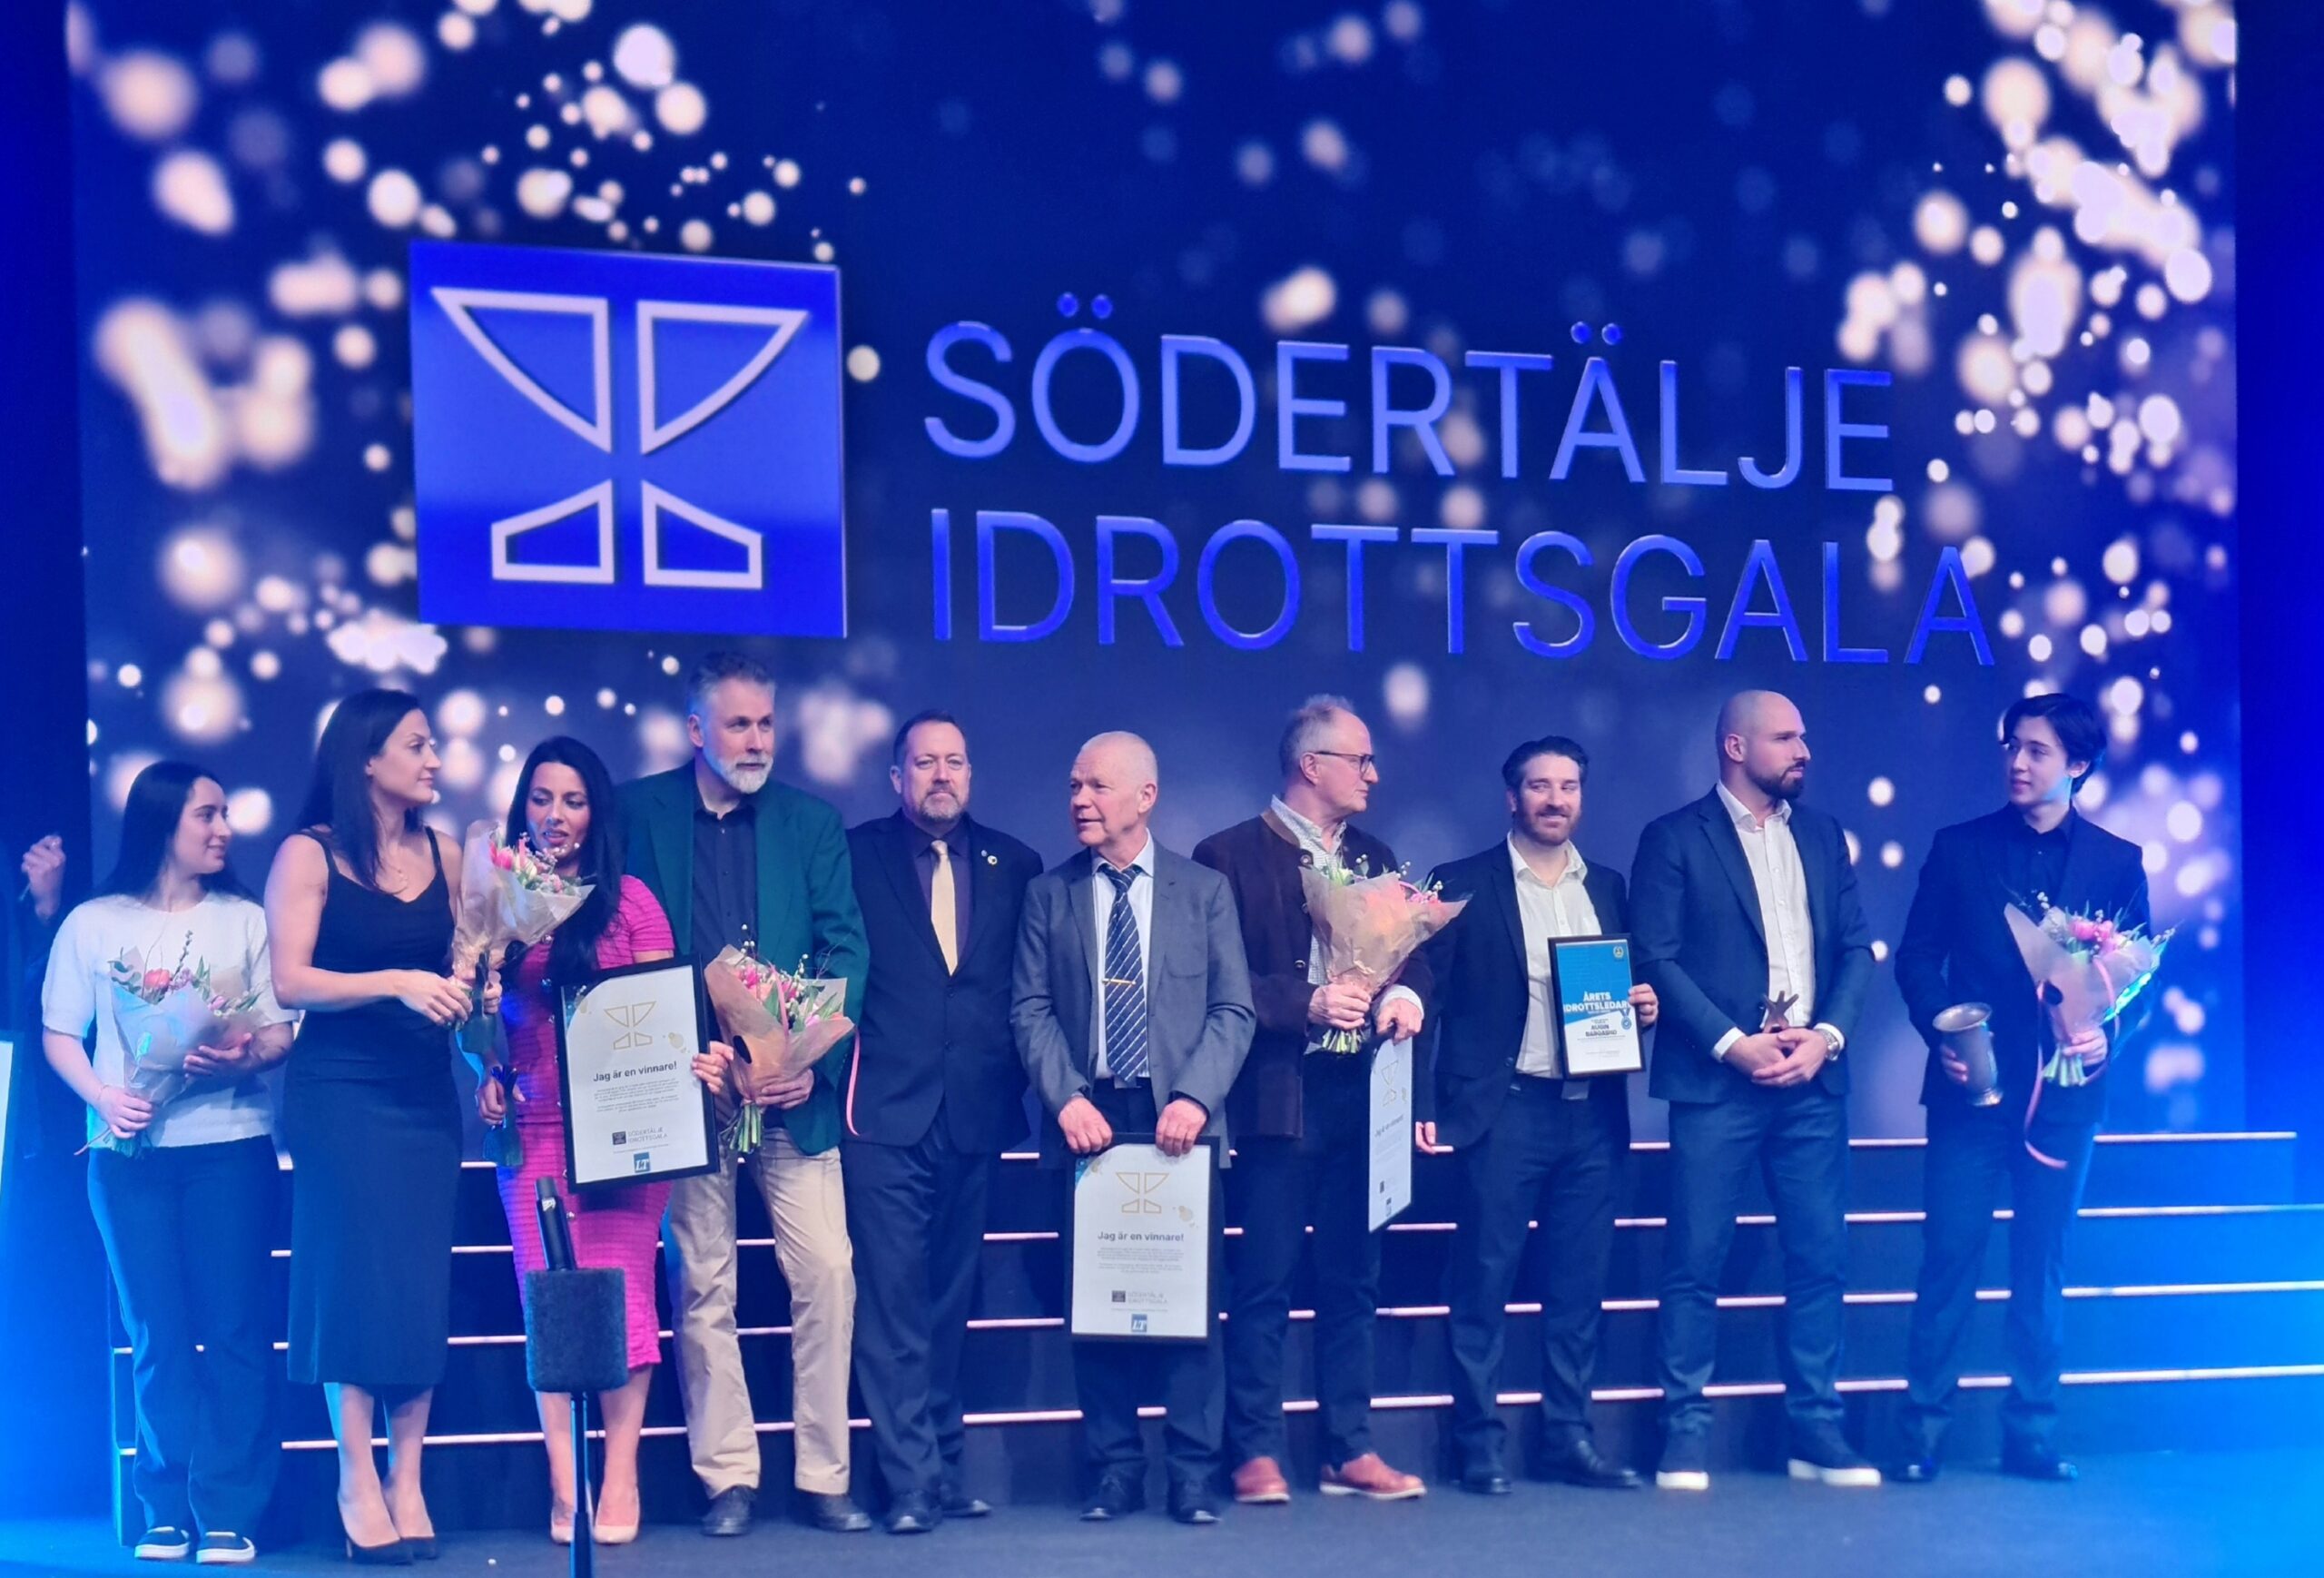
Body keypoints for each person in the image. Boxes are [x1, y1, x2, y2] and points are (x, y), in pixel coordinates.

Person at [619, 651, 872, 1537]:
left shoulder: (811, 821)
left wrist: (807, 1060)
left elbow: (846, 950)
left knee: (828, 1273)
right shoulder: (637, 812)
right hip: (690, 1091)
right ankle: (727, 1476)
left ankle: (825, 1475)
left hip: (794, 1094)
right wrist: (687, 1056)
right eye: (738, 724)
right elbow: (615, 946)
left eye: (766, 723)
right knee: (702, 1283)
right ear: (697, 729)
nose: (757, 739)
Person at [1891, 694, 2152, 1484]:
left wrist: (2106, 1033)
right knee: (1950, 1255)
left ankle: (2032, 1431)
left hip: (2064, 1097)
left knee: (2042, 1261)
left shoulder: (2117, 860)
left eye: (2037, 750)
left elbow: (2138, 976)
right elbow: (1917, 957)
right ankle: (1921, 1432)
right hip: (1971, 1092)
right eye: (2012, 746)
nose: (2017, 761)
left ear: (2077, 764)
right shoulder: (1959, 848)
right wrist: (1943, 1030)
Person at [42, 763, 295, 1567]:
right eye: (206, 815)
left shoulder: (246, 919)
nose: (224, 829)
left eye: (224, 814)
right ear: (162, 822)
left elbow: (280, 1031)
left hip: (231, 1146)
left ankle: (229, 1508)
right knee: (155, 1331)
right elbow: (58, 1033)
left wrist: (241, 1057)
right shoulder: (92, 923)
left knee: (235, 1329)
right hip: (128, 1155)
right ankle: (164, 1504)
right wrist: (104, 1098)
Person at [1630, 690, 1877, 1493]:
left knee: (1820, 1257)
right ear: (1735, 747)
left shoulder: (1824, 834)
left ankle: (1816, 1431)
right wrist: (1734, 1046)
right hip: (1717, 1083)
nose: (1804, 750)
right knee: (1694, 1259)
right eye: (1786, 737)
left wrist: (1827, 1037)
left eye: (1804, 736)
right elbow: (1655, 957)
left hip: (1811, 1078)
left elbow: (1856, 950)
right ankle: (1683, 1433)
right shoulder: (1674, 837)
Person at [1012, 732, 1255, 1526]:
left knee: (1188, 1305)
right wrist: (1064, 1099)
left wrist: (1195, 1098)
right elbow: (1030, 1010)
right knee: (1100, 1306)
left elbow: (1234, 1009)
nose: (1080, 800)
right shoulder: (1048, 895)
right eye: (1073, 786)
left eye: (1097, 786)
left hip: (1179, 1119)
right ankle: (1114, 1470)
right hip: (1087, 1121)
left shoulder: (1204, 891)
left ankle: (1191, 1472)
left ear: (1146, 797)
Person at [1191, 696, 1428, 1505]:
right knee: (1264, 1279)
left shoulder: (1375, 855)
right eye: (1360, 760)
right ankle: (1253, 1450)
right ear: (1311, 765)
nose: (1373, 775)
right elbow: (1216, 981)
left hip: (1364, 1100)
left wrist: (1406, 1000)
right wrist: (1308, 1004)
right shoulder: (1228, 855)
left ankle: (1348, 1446)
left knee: (1354, 1279)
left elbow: (1415, 959)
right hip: (1277, 1100)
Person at [266, 688, 481, 1564]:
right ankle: (355, 1478)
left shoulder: (448, 853)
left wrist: (477, 988)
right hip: (340, 1094)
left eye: (433, 746)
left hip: (424, 1094)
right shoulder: (307, 854)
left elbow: (463, 968)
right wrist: (395, 981)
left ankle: (408, 1479)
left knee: (417, 1283)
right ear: (365, 757)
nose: (433, 760)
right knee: (351, 1282)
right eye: (416, 745)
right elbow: (290, 981)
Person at [1414, 735, 1658, 1496]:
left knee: (1579, 1288)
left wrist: (1642, 1005)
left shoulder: (1609, 886)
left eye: (1569, 786)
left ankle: (1568, 1438)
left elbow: (1624, 989)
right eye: (1541, 786)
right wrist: (1422, 1105)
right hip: (1504, 1111)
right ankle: (1477, 1444)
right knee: (1482, 1283)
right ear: (1511, 797)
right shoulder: (1460, 882)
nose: (1556, 800)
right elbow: (1424, 1001)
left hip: (1592, 1116)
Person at [842, 711, 1041, 1534]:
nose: (941, 775)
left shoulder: (1015, 864)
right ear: (897, 778)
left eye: (954, 761)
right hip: (883, 1114)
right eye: (924, 763)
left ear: (971, 774)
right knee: (893, 1301)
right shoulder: (855, 856)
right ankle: (910, 1481)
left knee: (950, 1300)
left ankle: (942, 1463)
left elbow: (1026, 990)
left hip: (975, 1114)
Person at [478, 737, 678, 1545]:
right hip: (533, 1128)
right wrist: (487, 1066)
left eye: (573, 800)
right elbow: (480, 1018)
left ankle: (621, 1476)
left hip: (624, 1130)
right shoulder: (496, 905)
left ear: (597, 813)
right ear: (522, 809)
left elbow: (664, 1017)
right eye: (541, 799)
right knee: (551, 1302)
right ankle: (567, 1487)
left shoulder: (632, 902)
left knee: (625, 1297)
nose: (555, 816)